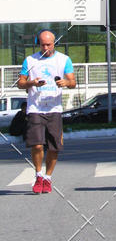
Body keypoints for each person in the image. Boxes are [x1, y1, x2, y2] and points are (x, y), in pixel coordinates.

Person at [17, 30, 76, 193]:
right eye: (42, 44)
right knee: (36, 145)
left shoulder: (64, 59)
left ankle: (47, 178)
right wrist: (32, 83)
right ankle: (38, 175)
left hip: (54, 109)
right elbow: (20, 83)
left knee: (54, 147)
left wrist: (66, 82)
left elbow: (73, 82)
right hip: (35, 108)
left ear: (54, 43)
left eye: (49, 44)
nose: (46, 48)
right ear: (38, 43)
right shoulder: (30, 60)